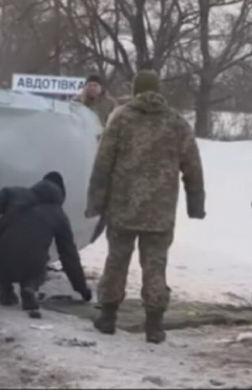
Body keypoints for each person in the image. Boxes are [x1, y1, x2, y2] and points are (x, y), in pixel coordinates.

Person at [86, 70, 205, 344]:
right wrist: (195, 204)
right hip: (160, 212)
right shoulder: (176, 122)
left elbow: (103, 163)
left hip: (122, 206)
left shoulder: (120, 117)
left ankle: (107, 317)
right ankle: (154, 325)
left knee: (116, 261)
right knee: (155, 265)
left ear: (136, 89)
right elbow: (193, 167)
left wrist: (95, 202)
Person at [0, 172, 92, 319]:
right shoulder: (59, 215)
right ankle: (29, 287)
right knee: (40, 264)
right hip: (30, 265)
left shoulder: (13, 193)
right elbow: (69, 257)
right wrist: (82, 289)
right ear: (61, 195)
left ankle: (6, 292)